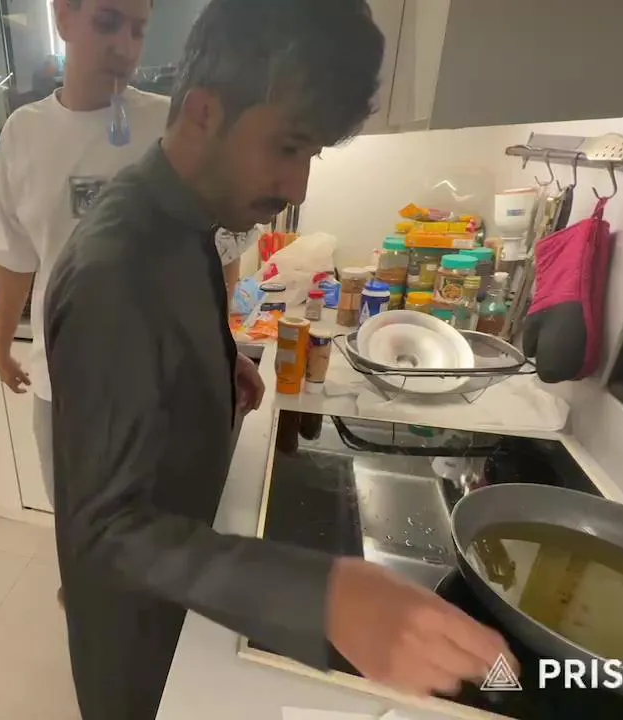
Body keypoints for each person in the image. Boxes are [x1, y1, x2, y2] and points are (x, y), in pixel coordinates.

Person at [43, 1, 517, 718]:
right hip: (137, 633)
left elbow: (159, 339)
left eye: (311, 155)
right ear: (204, 112)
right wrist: (324, 596)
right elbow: (103, 530)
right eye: (289, 147)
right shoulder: (114, 269)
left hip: (186, 585)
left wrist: (215, 359)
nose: (298, 186)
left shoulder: (181, 216)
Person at [0, 0, 262, 517]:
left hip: (163, 385)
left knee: (165, 528)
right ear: (63, 16)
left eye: (138, 30)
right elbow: (15, 254)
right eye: (107, 23)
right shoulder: (24, 133)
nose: (125, 47)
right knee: (76, 525)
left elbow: (218, 250)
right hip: (64, 381)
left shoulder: (172, 124)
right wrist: (1, 344)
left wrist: (219, 352)